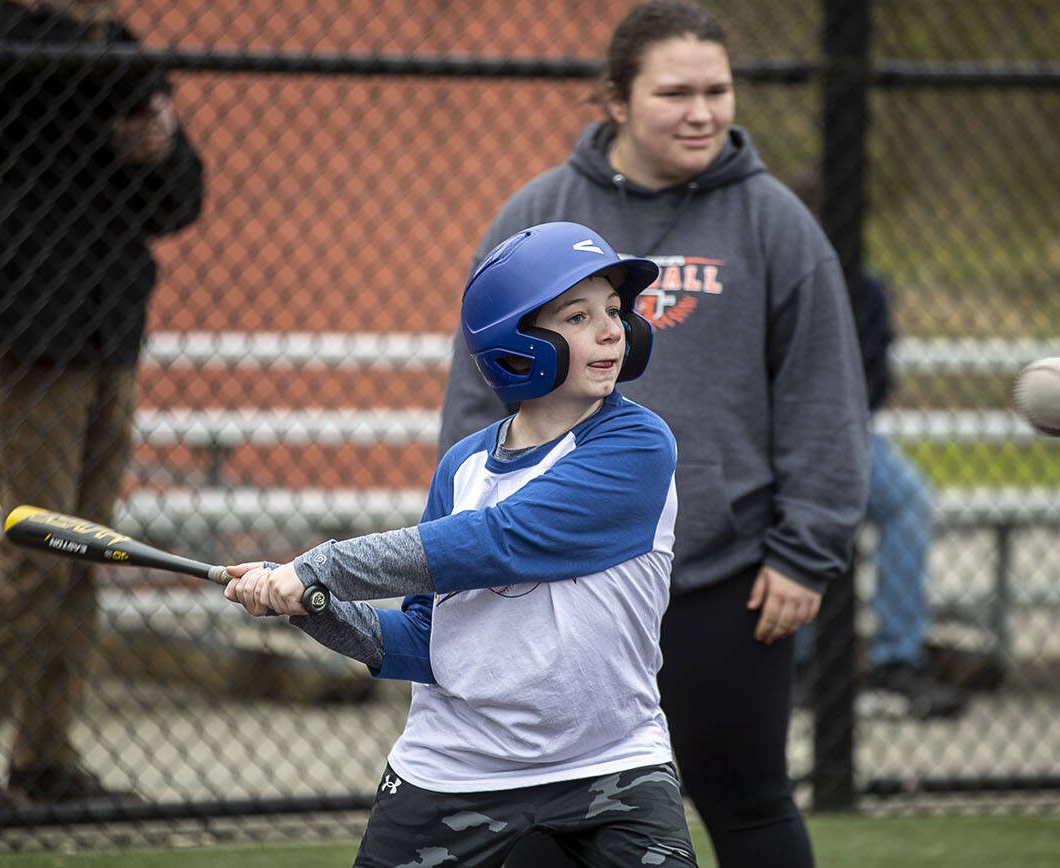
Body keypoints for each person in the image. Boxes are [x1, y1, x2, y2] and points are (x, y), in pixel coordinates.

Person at [437, 3, 868, 866]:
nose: (703, 111)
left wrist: (805, 548)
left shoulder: (773, 221)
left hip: (725, 578)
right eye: (675, 92)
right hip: (558, 582)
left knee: (746, 802)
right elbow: (475, 394)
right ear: (617, 101)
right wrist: (468, 542)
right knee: (538, 815)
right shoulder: (541, 211)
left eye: (718, 89)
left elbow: (824, 394)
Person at [224, 222, 696, 867]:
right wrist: (312, 606)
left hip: (612, 761)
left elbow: (499, 541)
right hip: (458, 766)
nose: (612, 330)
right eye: (578, 317)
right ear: (515, 342)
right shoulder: (464, 467)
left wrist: (320, 566)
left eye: (614, 311)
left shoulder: (637, 446)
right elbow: (425, 642)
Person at [0, 0, 203, 810]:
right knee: (38, 546)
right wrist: (132, 105)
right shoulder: (11, 38)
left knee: (92, 549)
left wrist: (158, 147)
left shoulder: (113, 50)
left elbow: (181, 194)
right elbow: (66, 108)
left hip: (109, 325)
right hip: (34, 323)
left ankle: (44, 756)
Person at [794, 270, 968, 719]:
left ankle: (897, 658)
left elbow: (877, 382)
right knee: (797, 503)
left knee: (908, 498)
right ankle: (798, 661)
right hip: (777, 431)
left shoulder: (864, 289)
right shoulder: (776, 273)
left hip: (846, 429)